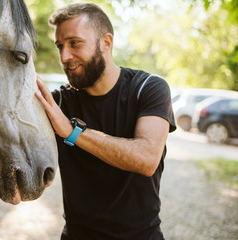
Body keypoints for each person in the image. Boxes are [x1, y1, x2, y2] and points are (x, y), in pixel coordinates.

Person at [35, 2, 176, 239]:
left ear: (106, 42)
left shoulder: (148, 88)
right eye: (60, 46)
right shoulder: (59, 104)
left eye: (74, 43)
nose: (64, 56)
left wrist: (72, 132)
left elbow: (147, 158)